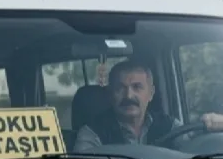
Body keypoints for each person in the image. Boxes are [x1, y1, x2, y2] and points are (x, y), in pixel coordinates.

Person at [74, 59, 223, 151]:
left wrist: (213, 128)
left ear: (151, 93)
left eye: (137, 87)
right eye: (120, 88)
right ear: (110, 94)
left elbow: (194, 153)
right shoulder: (92, 133)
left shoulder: (170, 127)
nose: (129, 96)